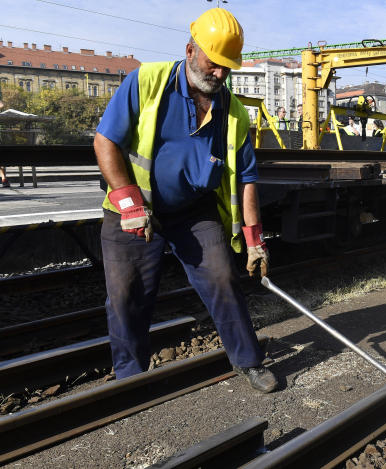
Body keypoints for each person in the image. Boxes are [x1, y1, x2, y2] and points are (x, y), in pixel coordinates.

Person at [93, 8, 277, 393]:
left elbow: (246, 179)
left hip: (192, 211)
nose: (221, 75)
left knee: (223, 278)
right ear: (190, 50)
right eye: (214, 64)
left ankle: (249, 361)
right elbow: (106, 140)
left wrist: (255, 240)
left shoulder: (234, 111)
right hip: (133, 208)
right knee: (126, 296)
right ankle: (130, 382)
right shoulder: (146, 81)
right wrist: (129, 202)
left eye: (228, 67)